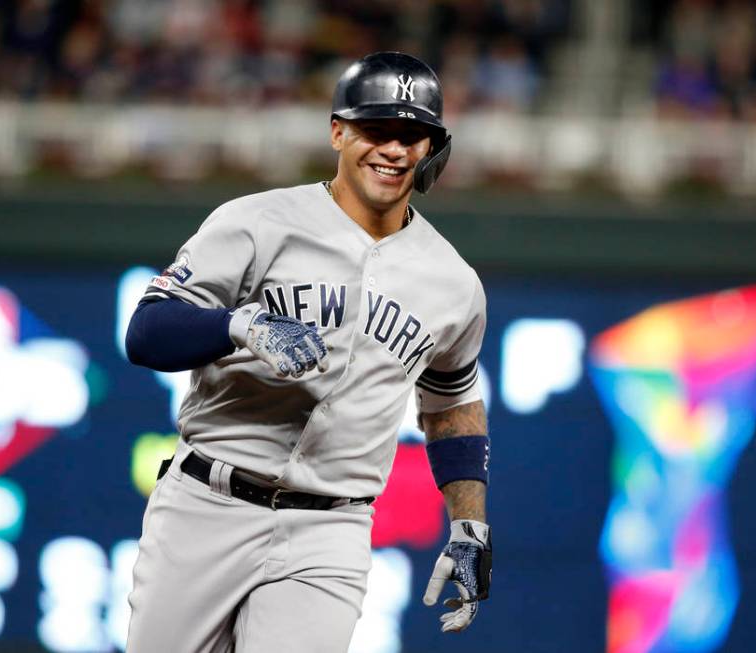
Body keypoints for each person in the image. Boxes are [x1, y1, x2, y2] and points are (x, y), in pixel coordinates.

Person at [124, 51, 492, 652]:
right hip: (207, 505)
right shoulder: (259, 221)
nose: (394, 150)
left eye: (412, 135)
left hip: (331, 526)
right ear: (338, 131)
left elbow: (451, 405)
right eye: (377, 130)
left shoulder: (453, 282)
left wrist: (469, 522)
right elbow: (147, 333)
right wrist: (241, 326)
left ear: (432, 148)